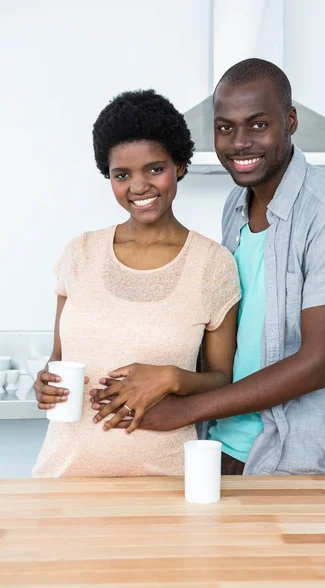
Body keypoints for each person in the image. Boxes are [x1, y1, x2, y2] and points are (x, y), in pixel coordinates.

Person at [92, 59, 325, 476]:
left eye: (258, 125)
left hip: (293, 461)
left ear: (290, 121)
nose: (240, 142)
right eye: (225, 127)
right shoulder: (236, 207)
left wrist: (184, 409)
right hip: (219, 448)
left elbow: (318, 363)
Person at [32, 90, 240, 477]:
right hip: (63, 478)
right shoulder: (79, 253)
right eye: (121, 175)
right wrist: (44, 382)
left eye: (154, 169)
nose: (138, 186)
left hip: (167, 481)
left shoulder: (213, 264)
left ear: (179, 165)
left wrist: (170, 377)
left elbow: (221, 379)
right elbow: (58, 358)